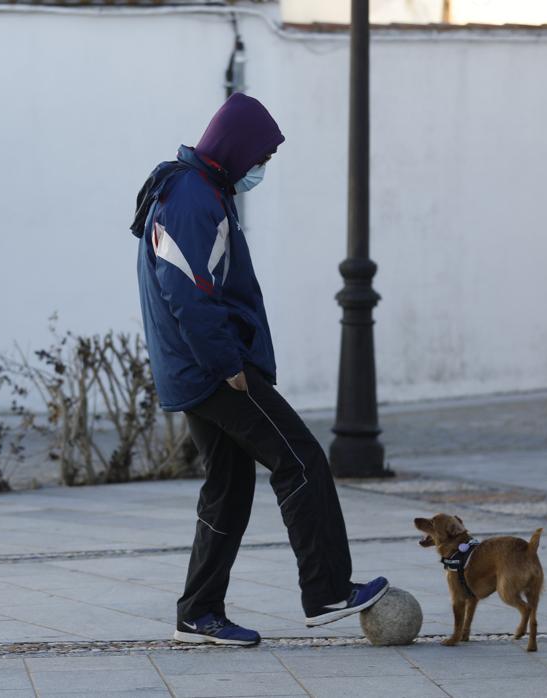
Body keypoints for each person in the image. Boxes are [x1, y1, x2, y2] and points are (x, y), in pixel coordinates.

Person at [130, 93, 388, 647]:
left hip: (197, 369)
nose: (261, 168)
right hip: (214, 370)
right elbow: (188, 293)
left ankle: (198, 614)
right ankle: (326, 592)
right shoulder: (192, 199)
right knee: (301, 460)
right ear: (237, 148)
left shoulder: (195, 191)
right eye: (261, 158)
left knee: (228, 486)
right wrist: (229, 366)